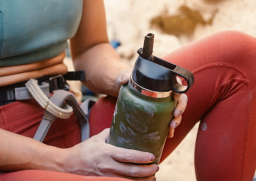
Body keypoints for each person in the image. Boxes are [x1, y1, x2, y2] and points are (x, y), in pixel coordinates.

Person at [0, 1, 256, 181]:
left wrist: (131, 82)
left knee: (238, 61)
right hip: (10, 154)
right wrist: (67, 161)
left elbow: (92, 47)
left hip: (68, 119)